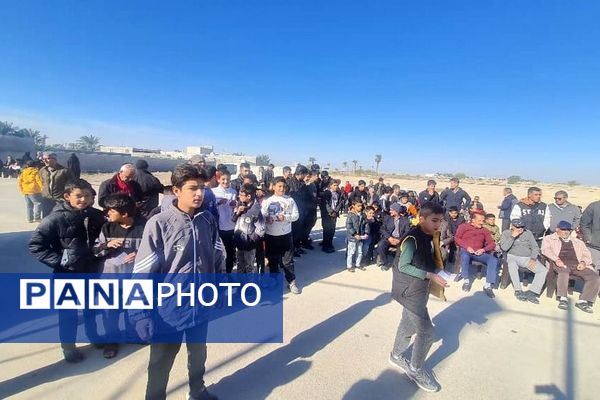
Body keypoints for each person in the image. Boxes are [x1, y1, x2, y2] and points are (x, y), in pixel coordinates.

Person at [131, 164, 223, 400]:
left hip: (201, 303)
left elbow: (217, 256)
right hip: (168, 309)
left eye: (202, 187)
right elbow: (142, 271)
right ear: (176, 190)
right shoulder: (159, 224)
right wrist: (140, 313)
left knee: (198, 354)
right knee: (160, 363)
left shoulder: (208, 220)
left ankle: (197, 390)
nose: (199, 193)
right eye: (193, 188)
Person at [29, 179, 105, 362]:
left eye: (87, 196)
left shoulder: (96, 215)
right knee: (68, 313)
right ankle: (68, 347)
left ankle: (93, 336)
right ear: (67, 196)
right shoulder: (55, 218)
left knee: (91, 307)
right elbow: (36, 245)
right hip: (66, 274)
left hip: (91, 271)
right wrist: (61, 262)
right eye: (78, 196)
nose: (83, 200)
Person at [389, 202, 447, 393]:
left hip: (419, 289)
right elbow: (403, 266)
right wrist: (430, 275)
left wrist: (437, 270)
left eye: (441, 220)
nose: (438, 224)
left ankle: (396, 355)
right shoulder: (412, 238)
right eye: (434, 220)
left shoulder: (430, 235)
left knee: (407, 323)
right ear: (422, 219)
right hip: (409, 290)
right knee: (427, 332)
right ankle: (415, 369)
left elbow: (428, 258)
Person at [93, 193, 146, 358]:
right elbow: (95, 251)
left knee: (134, 308)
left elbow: (158, 249)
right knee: (110, 312)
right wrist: (107, 245)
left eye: (111, 210)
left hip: (134, 279)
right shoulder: (107, 228)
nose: (107, 213)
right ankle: (111, 341)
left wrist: (141, 254)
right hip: (110, 279)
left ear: (124, 214)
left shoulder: (145, 227)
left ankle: (133, 335)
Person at [542, 221, 600, 313]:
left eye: (568, 230)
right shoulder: (549, 239)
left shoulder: (578, 242)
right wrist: (556, 259)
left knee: (594, 276)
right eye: (563, 229)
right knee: (564, 272)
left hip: (576, 265)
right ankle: (563, 298)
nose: (566, 232)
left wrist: (583, 262)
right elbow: (546, 250)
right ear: (557, 229)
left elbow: (586, 253)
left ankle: (583, 301)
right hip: (559, 263)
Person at [261, 177, 301, 294]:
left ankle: (291, 282)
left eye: (283, 186)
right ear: (273, 187)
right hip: (271, 235)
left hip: (286, 235)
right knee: (273, 260)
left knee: (288, 261)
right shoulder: (267, 201)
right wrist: (266, 218)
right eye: (279, 186)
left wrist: (286, 218)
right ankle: (274, 281)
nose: (282, 188)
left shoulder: (290, 200)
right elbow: (262, 215)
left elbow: (296, 216)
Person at [499, 219, 547, 303]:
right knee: (512, 265)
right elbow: (504, 248)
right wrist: (512, 237)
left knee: (543, 270)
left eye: (522, 227)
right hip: (512, 256)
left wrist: (533, 258)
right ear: (512, 226)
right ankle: (518, 290)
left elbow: (535, 247)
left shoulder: (528, 233)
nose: (520, 229)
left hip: (526, 257)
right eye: (517, 227)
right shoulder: (506, 233)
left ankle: (532, 292)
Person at [455, 211, 498, 298]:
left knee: (493, 259)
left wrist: (483, 249)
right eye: (479, 221)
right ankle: (466, 281)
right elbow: (457, 238)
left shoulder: (485, 230)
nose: (482, 223)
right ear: (473, 220)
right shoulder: (463, 227)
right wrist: (467, 247)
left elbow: (492, 244)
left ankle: (488, 285)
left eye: (483, 221)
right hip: (467, 250)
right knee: (465, 255)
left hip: (479, 252)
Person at [232, 183, 266, 273]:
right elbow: (233, 220)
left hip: (249, 244)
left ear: (249, 196)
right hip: (239, 241)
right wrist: (238, 212)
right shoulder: (240, 205)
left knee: (249, 266)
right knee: (240, 264)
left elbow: (261, 228)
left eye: (241, 195)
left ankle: (249, 285)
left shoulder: (255, 209)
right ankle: (240, 284)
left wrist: (252, 238)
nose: (239, 196)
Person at [212, 170, 238, 273]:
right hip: (219, 226)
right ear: (218, 179)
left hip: (231, 226)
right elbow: (210, 207)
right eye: (223, 179)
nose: (225, 181)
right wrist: (218, 203)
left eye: (228, 179)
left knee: (230, 251)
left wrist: (235, 205)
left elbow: (236, 208)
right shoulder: (213, 192)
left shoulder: (233, 192)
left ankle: (228, 272)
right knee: (218, 251)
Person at [39, 152, 74, 217]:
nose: (45, 161)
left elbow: (71, 185)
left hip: (60, 200)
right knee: (46, 218)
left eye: (48, 158)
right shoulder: (42, 170)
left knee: (60, 217)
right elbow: (42, 182)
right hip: (47, 199)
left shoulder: (64, 171)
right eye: (43, 159)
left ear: (55, 159)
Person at [377, 203, 411, 270]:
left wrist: (400, 240)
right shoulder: (387, 218)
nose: (390, 211)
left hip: (400, 239)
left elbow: (407, 232)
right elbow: (382, 229)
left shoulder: (405, 220)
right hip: (389, 237)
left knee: (405, 247)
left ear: (397, 211)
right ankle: (385, 263)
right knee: (381, 245)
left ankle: (402, 264)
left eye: (392, 210)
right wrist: (389, 237)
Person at [320, 179, 343, 253]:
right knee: (326, 229)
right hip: (327, 214)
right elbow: (325, 204)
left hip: (334, 214)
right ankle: (325, 245)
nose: (336, 187)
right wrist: (330, 211)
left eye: (337, 185)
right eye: (334, 185)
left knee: (332, 230)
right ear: (330, 186)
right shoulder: (327, 193)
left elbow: (340, 203)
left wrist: (335, 211)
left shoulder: (338, 193)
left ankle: (329, 243)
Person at [346, 200, 368, 272]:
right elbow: (349, 226)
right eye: (358, 206)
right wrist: (354, 234)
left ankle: (358, 264)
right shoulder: (351, 215)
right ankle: (349, 266)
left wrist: (366, 233)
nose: (360, 207)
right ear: (353, 206)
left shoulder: (363, 215)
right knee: (351, 252)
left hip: (360, 237)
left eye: (361, 206)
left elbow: (366, 224)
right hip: (352, 238)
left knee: (359, 252)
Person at [580, 199, 600, 271]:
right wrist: (589, 238)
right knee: (592, 270)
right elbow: (584, 223)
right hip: (594, 246)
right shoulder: (594, 206)